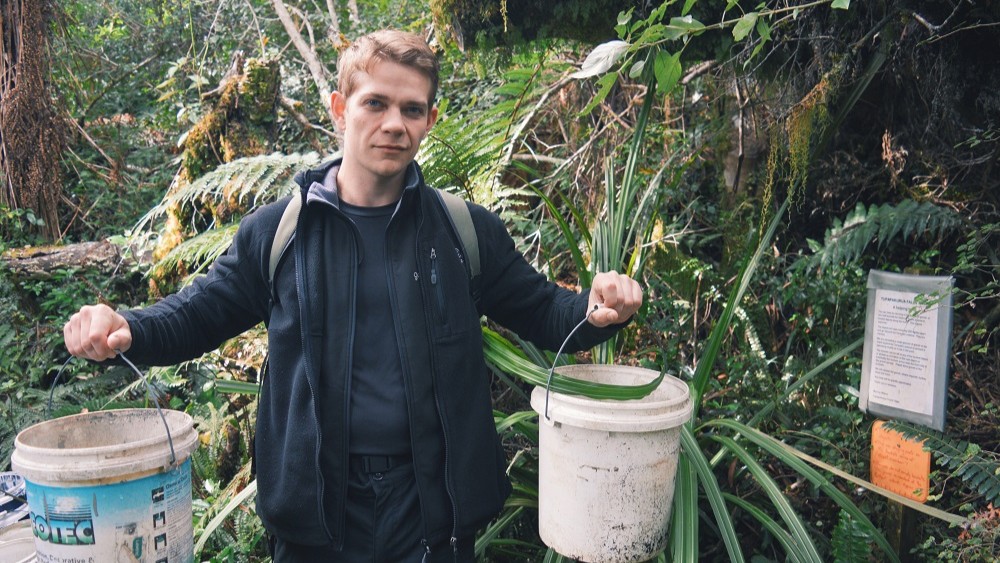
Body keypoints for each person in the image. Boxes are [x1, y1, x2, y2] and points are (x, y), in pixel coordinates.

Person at [63, 29, 642, 562]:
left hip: (432, 512)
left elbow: (545, 312)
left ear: (430, 119)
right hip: (316, 516)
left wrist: (600, 310)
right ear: (340, 108)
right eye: (376, 103)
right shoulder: (278, 235)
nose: (395, 123)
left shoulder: (463, 233)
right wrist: (125, 327)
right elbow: (196, 314)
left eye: (412, 109)